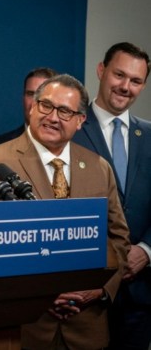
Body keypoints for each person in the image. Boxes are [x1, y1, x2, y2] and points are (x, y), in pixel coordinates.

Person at [0, 74, 130, 350]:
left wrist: (99, 288)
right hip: (23, 327)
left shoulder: (99, 167)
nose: (53, 117)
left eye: (65, 111)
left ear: (80, 121)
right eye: (45, 106)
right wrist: (40, 295)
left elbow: (119, 239)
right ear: (32, 107)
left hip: (87, 326)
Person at [71, 42, 151, 350]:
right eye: (119, 75)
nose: (125, 87)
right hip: (86, 291)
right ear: (101, 70)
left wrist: (145, 249)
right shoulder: (70, 129)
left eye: (136, 81)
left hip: (140, 296)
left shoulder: (149, 136)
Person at [0, 67, 58, 152]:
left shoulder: (72, 153)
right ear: (23, 98)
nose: (35, 103)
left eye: (43, 96)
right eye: (30, 94)